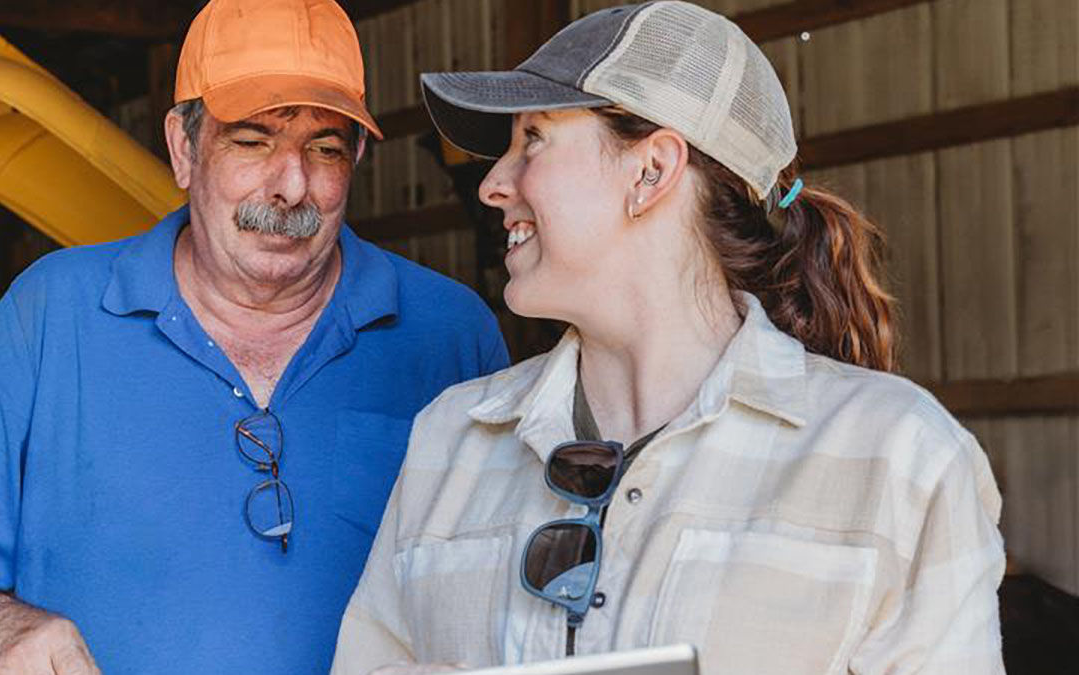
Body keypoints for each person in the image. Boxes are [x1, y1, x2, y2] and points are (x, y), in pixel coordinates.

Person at [331, 3, 1005, 675]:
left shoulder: (900, 459)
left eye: (532, 138)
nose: (492, 185)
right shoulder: (451, 441)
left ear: (651, 170)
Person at [0, 0, 508, 673]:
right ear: (183, 147)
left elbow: (514, 574)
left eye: (324, 148)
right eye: (252, 141)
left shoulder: (449, 332)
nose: (292, 186)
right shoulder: (51, 311)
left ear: (356, 155)